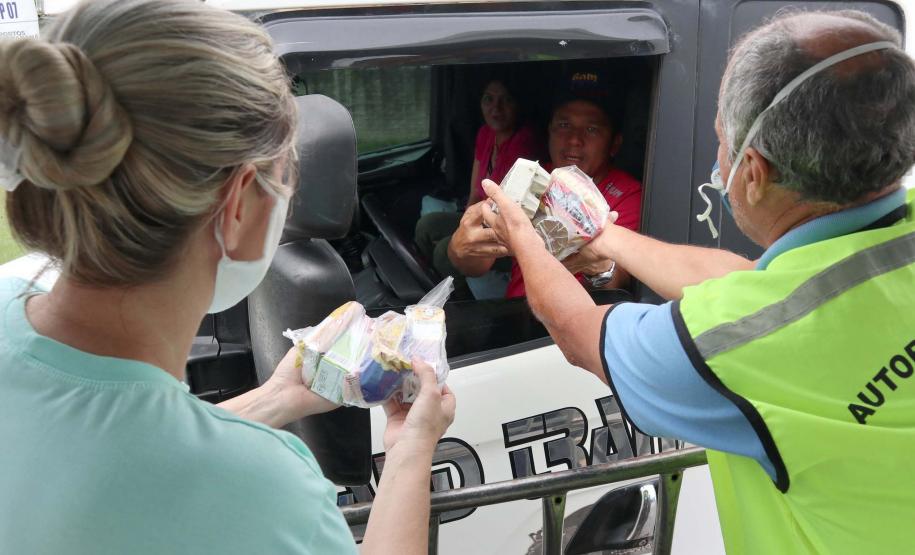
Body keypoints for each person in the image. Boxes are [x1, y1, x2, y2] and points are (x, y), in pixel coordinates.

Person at [0, 1, 454, 554]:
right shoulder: (260, 490)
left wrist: (276, 399)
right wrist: (411, 450)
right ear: (238, 202)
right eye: (285, 178)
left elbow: (93, 444)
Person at [481, 9, 915, 555]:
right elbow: (750, 282)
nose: (718, 161)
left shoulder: (734, 347)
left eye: (721, 144)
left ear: (753, 173)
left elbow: (577, 329)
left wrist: (521, 235)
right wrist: (606, 239)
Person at [449, 71, 642, 297]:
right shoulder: (531, 178)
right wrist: (459, 249)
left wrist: (600, 267)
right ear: (549, 131)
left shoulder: (627, 194)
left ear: (614, 144)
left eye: (591, 129)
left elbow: (620, 282)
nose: (574, 140)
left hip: (575, 320)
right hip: (517, 313)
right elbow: (478, 264)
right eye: (563, 125)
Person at [414, 78, 542, 299]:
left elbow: (505, 208)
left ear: (518, 105)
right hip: (482, 214)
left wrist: (463, 236)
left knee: (444, 253)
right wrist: (465, 223)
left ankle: (462, 301)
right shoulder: (486, 134)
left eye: (506, 100)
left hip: (506, 229)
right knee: (426, 226)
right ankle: (436, 287)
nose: (496, 108)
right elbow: (475, 190)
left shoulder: (524, 142)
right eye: (488, 99)